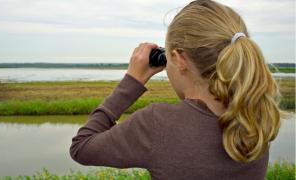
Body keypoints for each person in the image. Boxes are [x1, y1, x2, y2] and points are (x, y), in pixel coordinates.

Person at [69, 0, 285, 179]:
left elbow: (82, 147)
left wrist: (132, 81)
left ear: (179, 59)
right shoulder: (255, 118)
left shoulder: (157, 124)